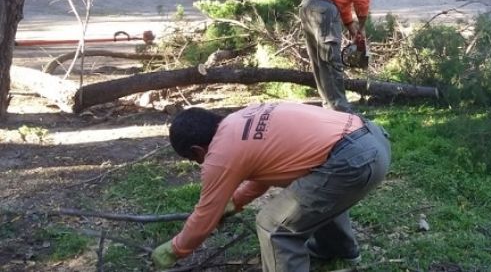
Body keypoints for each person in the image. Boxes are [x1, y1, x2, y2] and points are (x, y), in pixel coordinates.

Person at [151, 102, 391, 272]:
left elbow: (205, 215)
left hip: (354, 161)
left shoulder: (219, 154)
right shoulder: (240, 119)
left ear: (197, 150)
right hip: (372, 138)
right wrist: (236, 202)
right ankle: (338, 250)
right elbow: (263, 176)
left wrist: (174, 249)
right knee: (316, 187)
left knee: (273, 226)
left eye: (196, 160)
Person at [298, 0, 383, 113]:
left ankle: (328, 106)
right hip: (325, 10)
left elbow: (341, 3)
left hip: (307, 6)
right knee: (331, 61)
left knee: (319, 62)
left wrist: (352, 28)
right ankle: (342, 111)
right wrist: (362, 25)